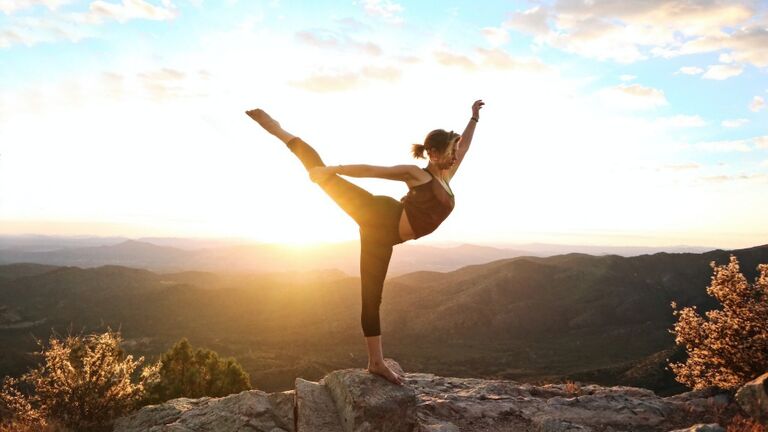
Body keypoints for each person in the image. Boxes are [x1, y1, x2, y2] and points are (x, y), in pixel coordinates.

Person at [246, 100, 484, 385]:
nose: (455, 156)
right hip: (377, 216)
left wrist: (473, 119)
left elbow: (466, 145)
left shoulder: (447, 175)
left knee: (373, 297)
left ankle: (374, 362)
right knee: (319, 173)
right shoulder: (418, 174)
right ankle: (275, 128)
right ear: (432, 154)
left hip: (385, 237)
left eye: (454, 151)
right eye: (449, 152)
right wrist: (332, 170)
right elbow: (373, 170)